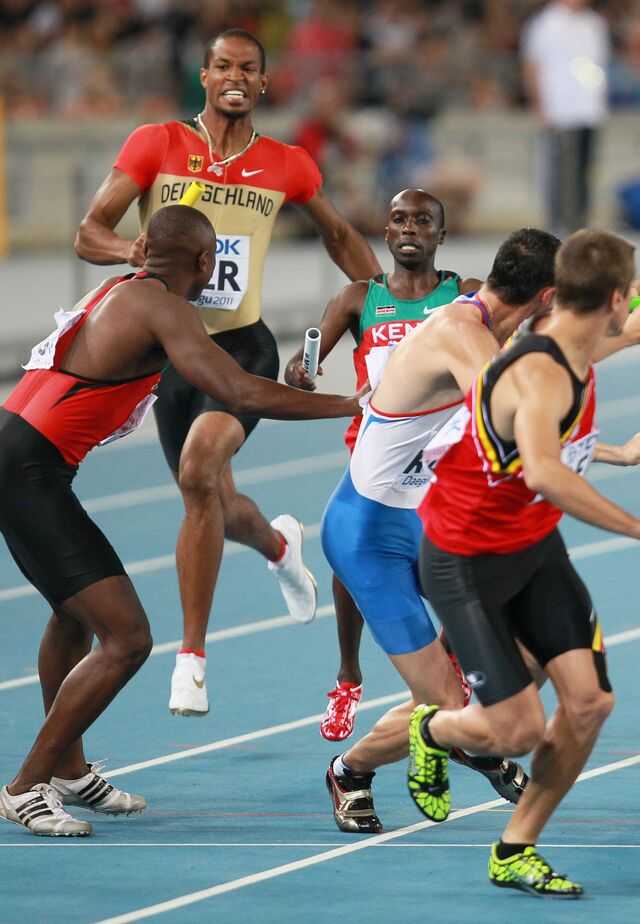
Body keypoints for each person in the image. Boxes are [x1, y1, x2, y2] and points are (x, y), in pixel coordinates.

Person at [0, 205, 362, 837]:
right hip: (27, 472)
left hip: (22, 459)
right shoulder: (165, 307)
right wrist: (358, 405)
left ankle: (67, 771)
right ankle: (25, 786)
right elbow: (243, 391)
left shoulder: (122, 289)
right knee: (129, 638)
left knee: (72, 615)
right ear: (205, 262)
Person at [74, 28, 382, 718]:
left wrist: (387, 307)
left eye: (248, 68)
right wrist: (141, 250)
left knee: (198, 470)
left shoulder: (287, 163)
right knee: (209, 497)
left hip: (242, 347)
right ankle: (278, 543)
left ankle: (191, 658)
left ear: (264, 84)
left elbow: (338, 237)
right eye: (222, 67)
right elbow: (88, 231)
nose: (234, 77)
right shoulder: (156, 143)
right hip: (169, 350)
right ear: (205, 77)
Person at [404, 230, 640, 898]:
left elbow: (632, 329)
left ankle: (515, 847)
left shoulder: (579, 332)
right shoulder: (537, 371)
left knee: (591, 702)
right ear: (612, 297)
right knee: (516, 731)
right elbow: (541, 470)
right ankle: (435, 726)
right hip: (465, 560)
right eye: (628, 300)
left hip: (533, 551)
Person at [319, 227, 563, 832]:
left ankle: (471, 740)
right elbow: (512, 413)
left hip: (431, 527)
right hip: (368, 536)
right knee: (449, 705)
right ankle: (350, 770)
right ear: (549, 297)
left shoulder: (500, 326)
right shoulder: (461, 332)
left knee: (536, 651)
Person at [283, 188, 481, 742]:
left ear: (441, 235)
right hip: (377, 453)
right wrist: (301, 367)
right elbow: (305, 356)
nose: (410, 228)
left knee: (462, 570)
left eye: (423, 220)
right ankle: (348, 676)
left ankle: (449, 658)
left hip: (445, 460)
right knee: (356, 562)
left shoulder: (464, 294)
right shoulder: (355, 298)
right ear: (386, 234)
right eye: (399, 220)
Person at [522, 0, 609, 233]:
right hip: (560, 111)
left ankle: (579, 224)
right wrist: (540, 106)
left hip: (589, 110)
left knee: (584, 173)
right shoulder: (545, 24)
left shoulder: (594, 24)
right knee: (560, 175)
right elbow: (532, 65)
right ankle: (558, 227)